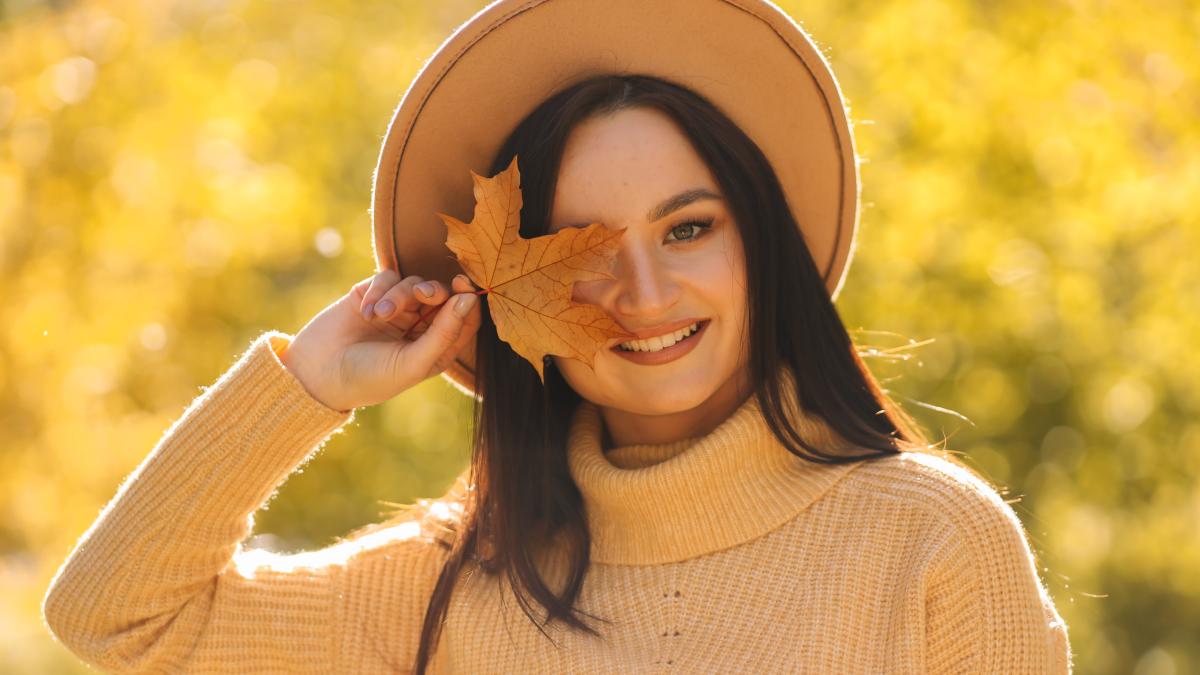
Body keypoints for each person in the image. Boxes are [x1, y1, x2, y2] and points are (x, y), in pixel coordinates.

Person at [42, 0, 1072, 672]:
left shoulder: (932, 542)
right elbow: (114, 616)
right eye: (582, 250)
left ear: (762, 246)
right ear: (511, 294)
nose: (644, 289)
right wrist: (308, 385)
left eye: (689, 227)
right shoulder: (453, 584)